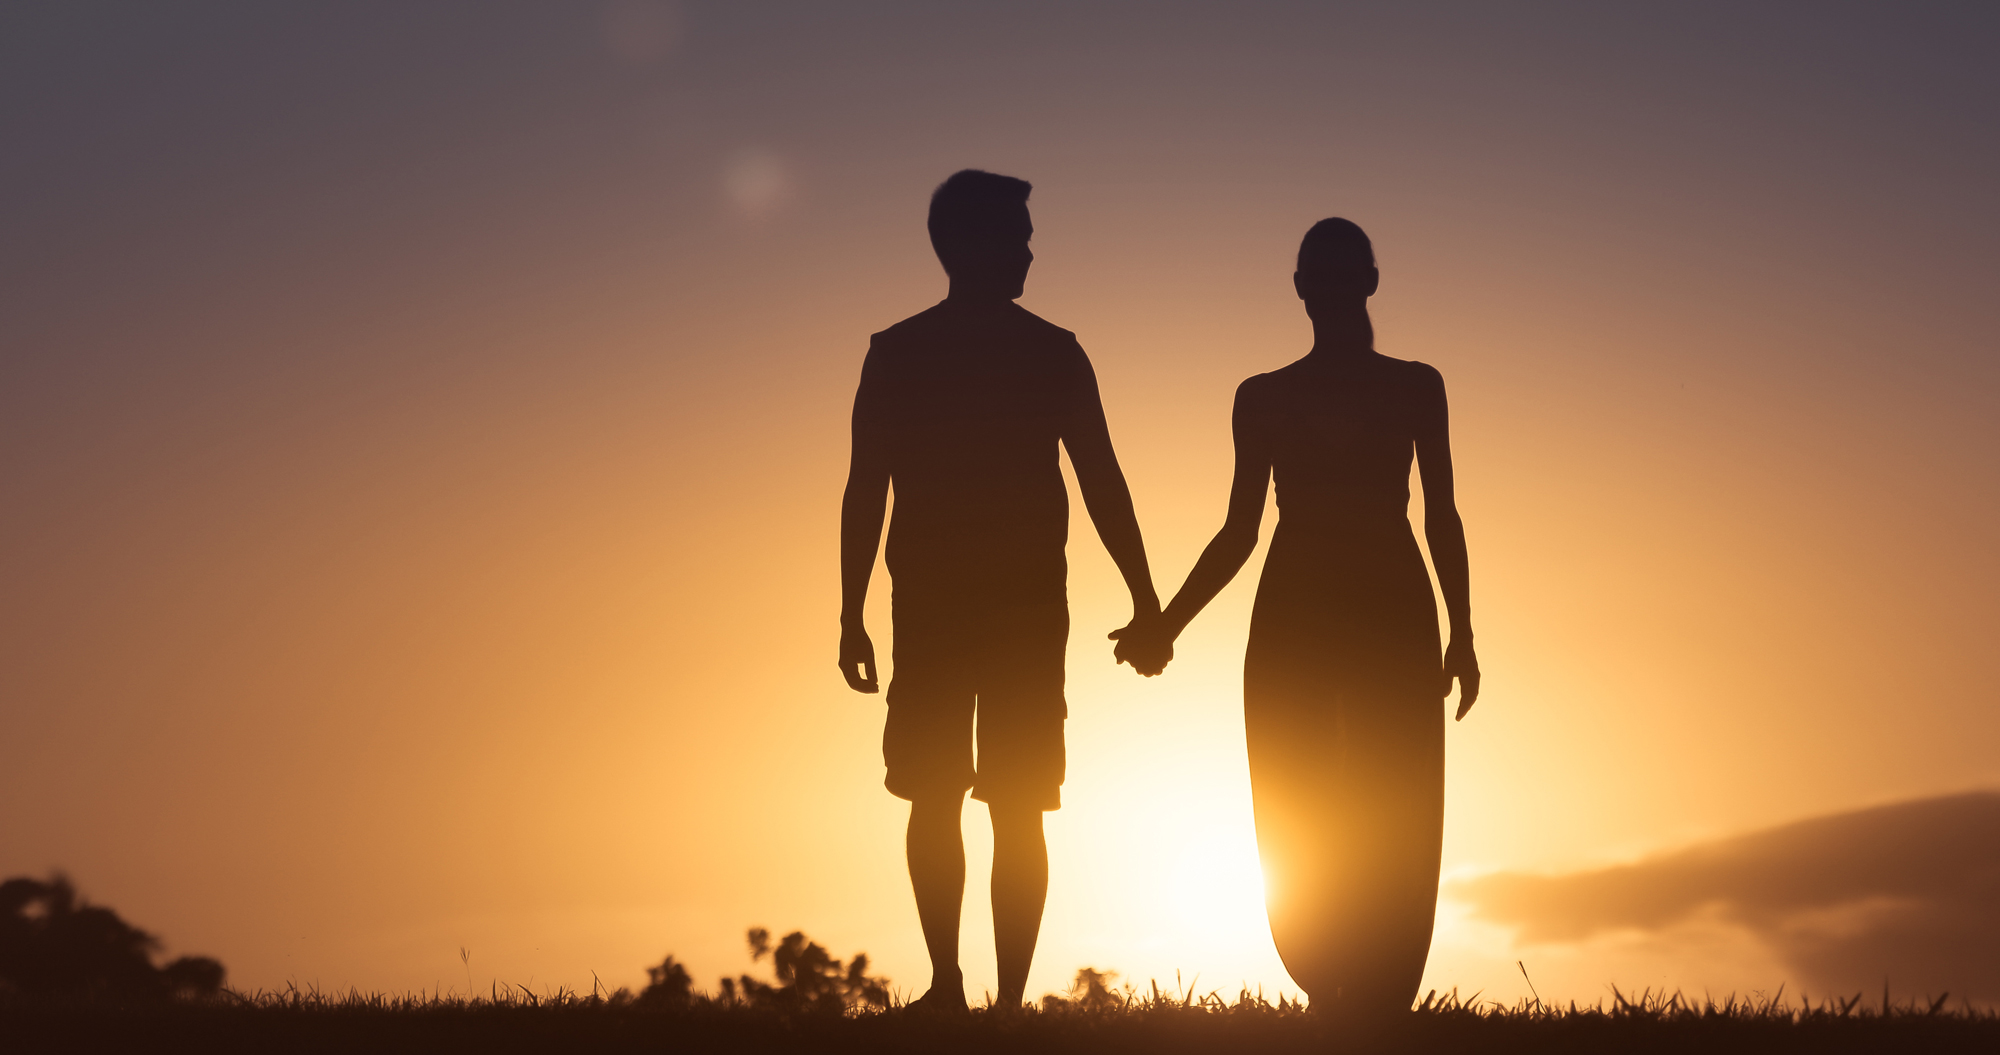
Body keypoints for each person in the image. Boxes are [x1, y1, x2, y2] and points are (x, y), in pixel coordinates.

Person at [1112, 218, 1480, 1019]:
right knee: (1304, 788)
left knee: (1380, 791)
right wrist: (1166, 622)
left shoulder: (1409, 386)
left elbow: (1440, 517)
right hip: (1315, 610)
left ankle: (1369, 984)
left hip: (1369, 605)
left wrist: (1464, 630)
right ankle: (1334, 976)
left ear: (1312, 288)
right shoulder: (1270, 396)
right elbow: (1242, 530)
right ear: (1340, 286)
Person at [838, 170, 1161, 1012]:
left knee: (999, 798)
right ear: (966, 244)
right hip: (958, 609)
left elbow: (1102, 482)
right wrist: (849, 612)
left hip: (1004, 612)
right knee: (949, 791)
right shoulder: (913, 352)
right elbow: (865, 487)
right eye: (1015, 234)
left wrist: (1146, 595)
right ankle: (960, 988)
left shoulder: (1037, 351)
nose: (1027, 248)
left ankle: (995, 998)